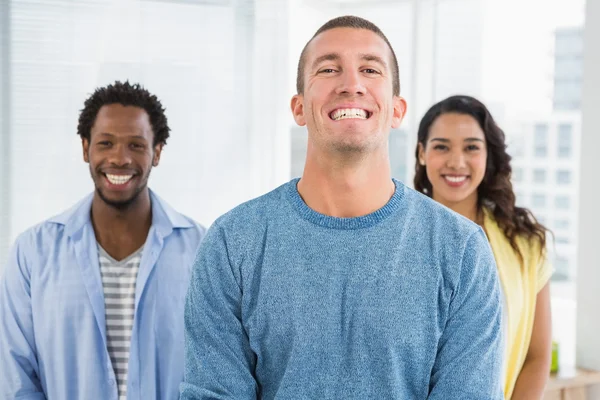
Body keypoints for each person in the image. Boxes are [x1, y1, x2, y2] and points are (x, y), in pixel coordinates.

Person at [181, 16, 504, 399]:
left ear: (398, 110)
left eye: (370, 69)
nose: (351, 85)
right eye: (329, 69)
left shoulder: (463, 250)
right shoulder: (232, 243)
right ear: (299, 107)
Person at [0, 81, 206, 400]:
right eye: (106, 143)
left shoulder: (201, 250)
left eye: (136, 145)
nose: (119, 159)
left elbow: (214, 371)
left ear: (157, 152)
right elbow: (16, 379)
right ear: (86, 148)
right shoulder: (32, 253)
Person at [414, 94, 552, 399]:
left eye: (471, 147)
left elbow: (536, 356)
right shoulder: (397, 235)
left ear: (488, 155)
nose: (456, 162)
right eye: (441, 146)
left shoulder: (527, 244)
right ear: (422, 153)